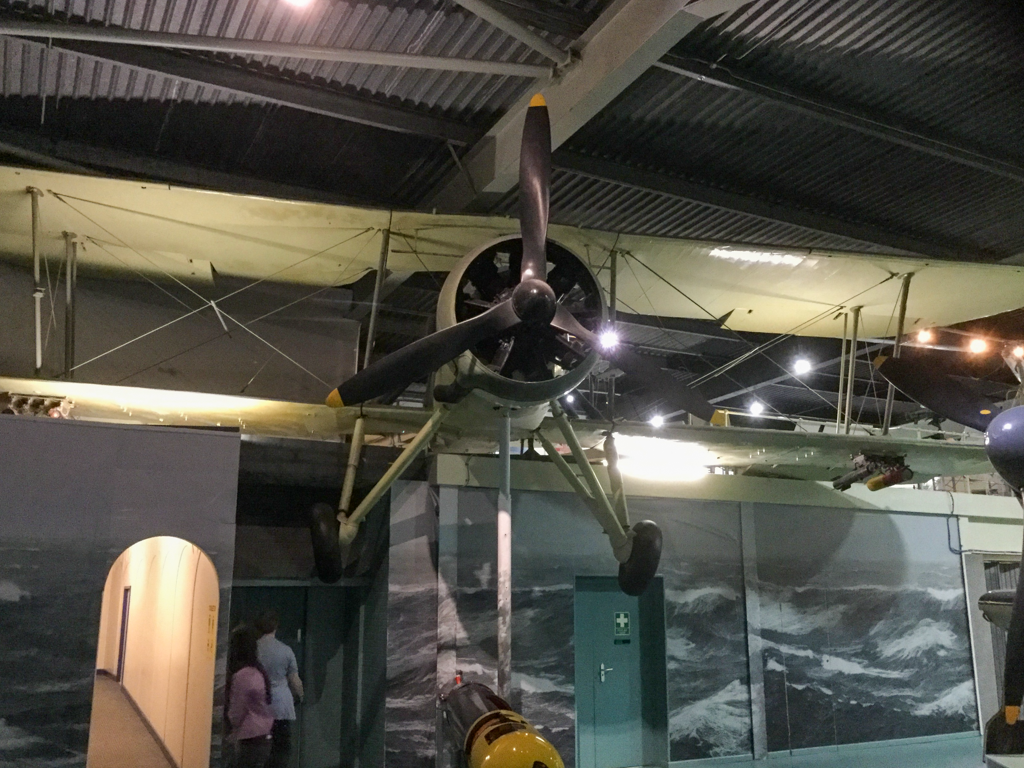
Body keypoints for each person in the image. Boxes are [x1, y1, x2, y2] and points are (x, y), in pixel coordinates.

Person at [255, 610, 304, 768]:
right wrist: (300, 695)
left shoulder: (254, 649)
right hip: (281, 707)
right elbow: (294, 680)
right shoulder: (286, 650)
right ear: (276, 626)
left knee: (258, 749)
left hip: (258, 705)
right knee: (281, 747)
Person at [226, 625, 274, 768]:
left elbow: (237, 712)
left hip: (249, 737)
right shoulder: (259, 672)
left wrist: (231, 730)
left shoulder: (242, 675)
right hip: (264, 734)